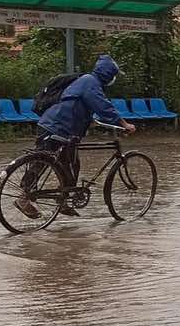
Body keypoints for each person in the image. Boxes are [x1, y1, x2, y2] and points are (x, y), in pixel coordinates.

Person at [19, 54, 135, 218]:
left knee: (70, 164)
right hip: (58, 127)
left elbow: (80, 104)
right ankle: (24, 197)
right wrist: (123, 124)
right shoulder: (90, 82)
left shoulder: (86, 81)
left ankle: (63, 200)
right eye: (113, 75)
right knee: (43, 161)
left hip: (60, 127)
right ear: (108, 74)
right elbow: (103, 107)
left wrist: (90, 120)